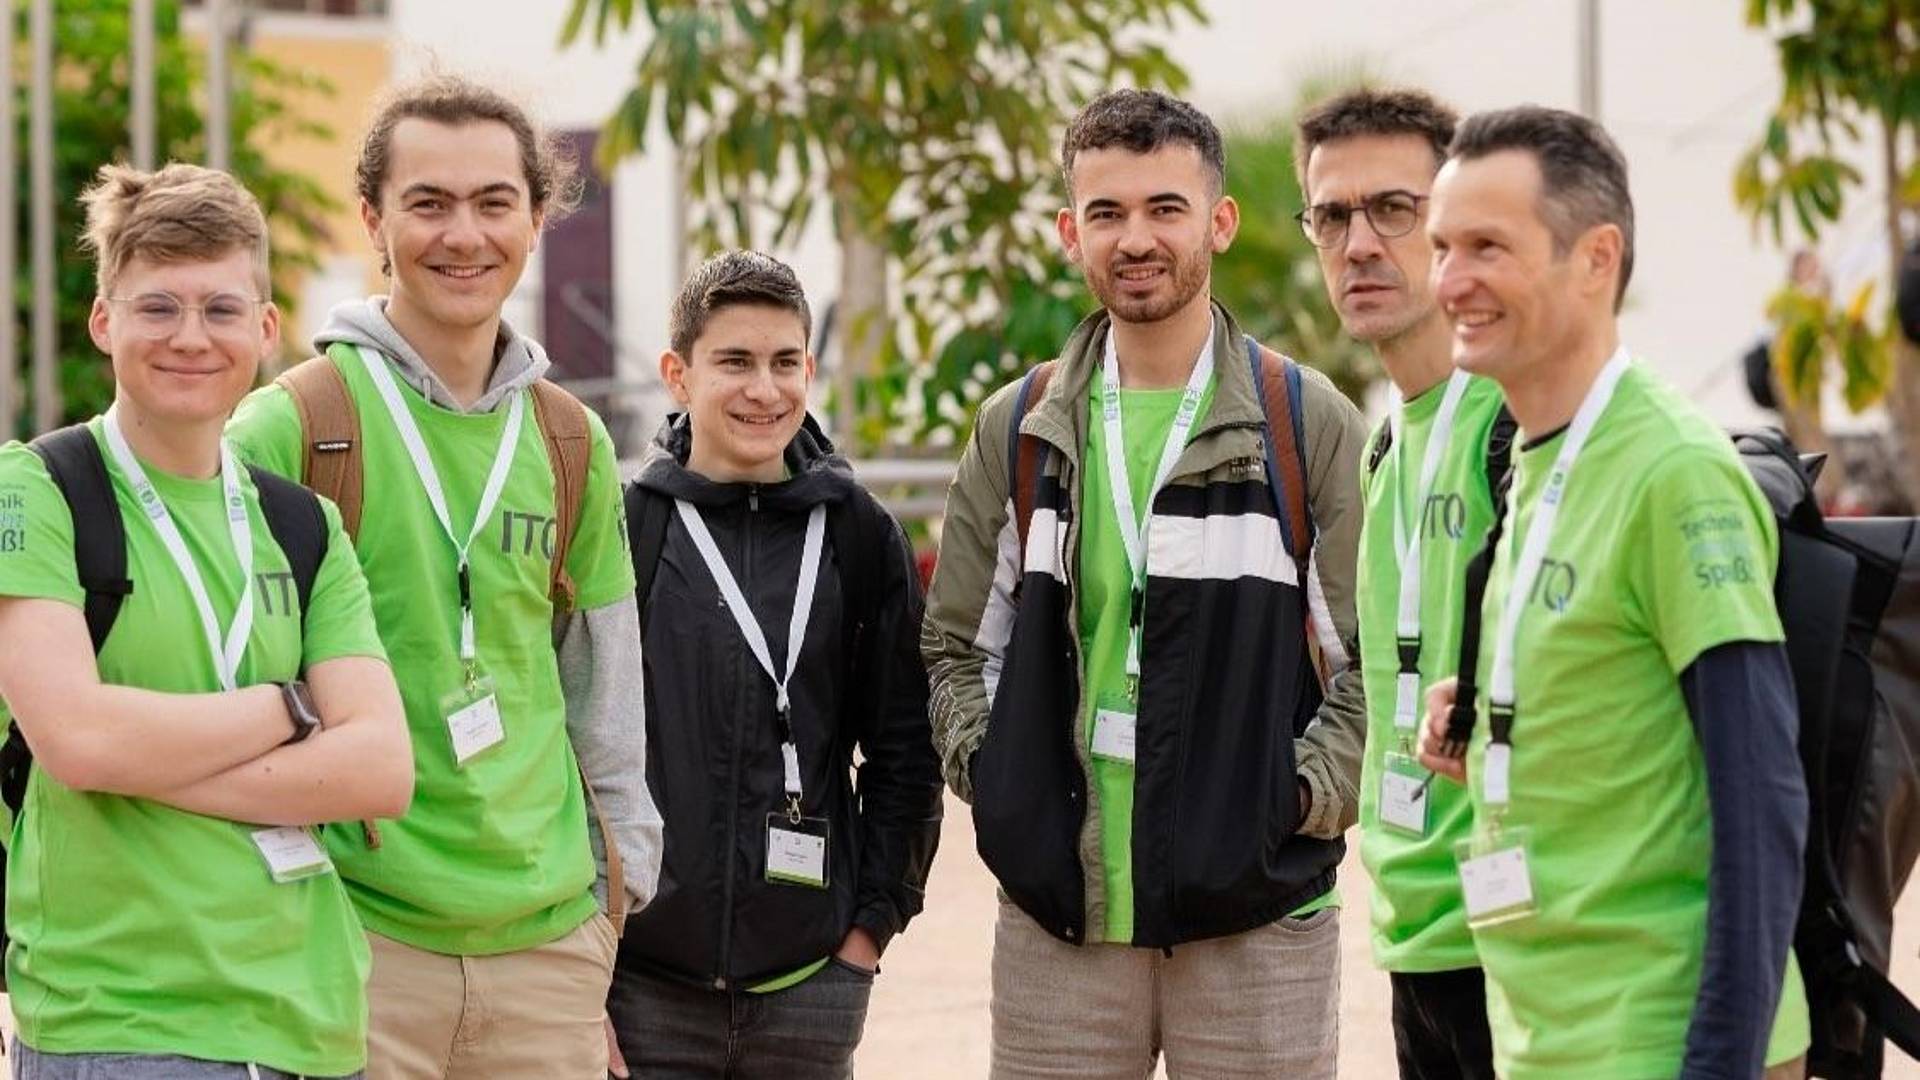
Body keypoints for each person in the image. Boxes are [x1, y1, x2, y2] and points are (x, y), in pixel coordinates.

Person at [923, 88, 1368, 1079]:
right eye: (1107, 212)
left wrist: (1292, 801)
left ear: (1219, 221)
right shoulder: (1019, 427)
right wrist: (1003, 784)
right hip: (1059, 930)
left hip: (1259, 928)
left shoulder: (1307, 423)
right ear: (1069, 233)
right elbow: (953, 645)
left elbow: (1370, 667)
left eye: (1166, 208)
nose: (1136, 238)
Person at [226, 73, 662, 1080]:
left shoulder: (572, 440)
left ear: (538, 218)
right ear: (373, 219)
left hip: (549, 950)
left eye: (493, 202)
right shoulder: (290, 427)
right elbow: (225, 682)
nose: (463, 235)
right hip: (354, 941)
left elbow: (605, 694)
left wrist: (609, 913)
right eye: (428, 203)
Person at [1418, 105, 1811, 1079]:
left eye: (1486, 247)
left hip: (1662, 1037)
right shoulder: (1535, 459)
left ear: (1596, 259)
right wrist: (1494, 725)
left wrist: (1718, 1064)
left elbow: (1761, 800)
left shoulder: (1674, 471)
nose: (1450, 281)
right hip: (1548, 1038)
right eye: (1442, 247)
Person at [0, 162, 409, 1078]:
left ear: (264, 330)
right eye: (158, 307)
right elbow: (78, 743)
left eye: (221, 309)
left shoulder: (304, 523)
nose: (190, 336)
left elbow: (381, 768)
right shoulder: (33, 489)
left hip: (313, 1025)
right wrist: (289, 707)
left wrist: (143, 761)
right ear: (103, 322)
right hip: (123, 1021)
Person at [606, 250, 943, 1078]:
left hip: (811, 988)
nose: (765, 390)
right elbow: (576, 755)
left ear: (809, 371)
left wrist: (866, 935)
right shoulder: (628, 530)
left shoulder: (861, 535)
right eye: (735, 362)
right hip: (643, 990)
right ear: (679, 376)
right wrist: (589, 968)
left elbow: (906, 752)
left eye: (785, 362)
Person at [1296, 87, 1503, 1080]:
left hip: (1524, 942)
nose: (1359, 244)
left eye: (1393, 209)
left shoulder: (1520, 424)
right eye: (1332, 216)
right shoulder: (1384, 446)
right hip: (1416, 938)